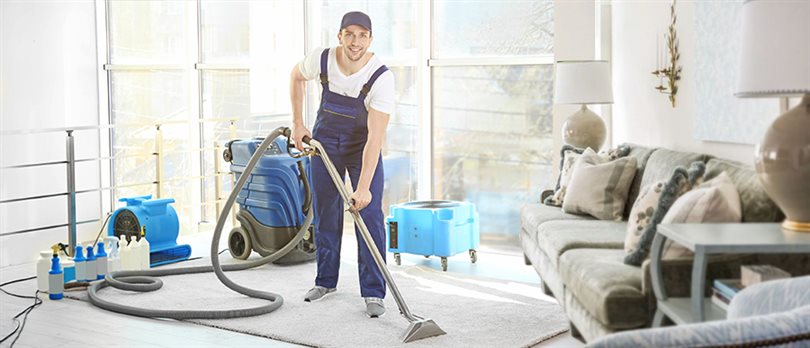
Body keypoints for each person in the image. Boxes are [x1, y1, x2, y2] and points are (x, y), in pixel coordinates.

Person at [289, 11, 395, 318]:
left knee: (370, 215)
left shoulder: (380, 77)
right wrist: (298, 124)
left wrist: (363, 189)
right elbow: (295, 76)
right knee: (325, 212)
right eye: (350, 34)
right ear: (339, 36)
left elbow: (375, 137)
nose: (356, 41)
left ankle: (374, 293)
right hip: (324, 145)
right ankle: (325, 281)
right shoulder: (321, 60)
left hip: (362, 149)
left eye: (363, 35)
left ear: (370, 39)